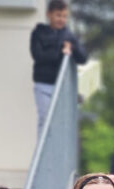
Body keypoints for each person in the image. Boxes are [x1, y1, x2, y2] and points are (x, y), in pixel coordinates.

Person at [30, 0, 87, 134]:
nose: (61, 19)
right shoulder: (39, 33)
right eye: (58, 15)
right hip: (43, 85)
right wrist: (60, 51)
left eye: (64, 16)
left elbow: (82, 58)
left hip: (63, 87)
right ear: (49, 14)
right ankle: (44, 153)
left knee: (61, 123)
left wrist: (72, 47)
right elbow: (38, 56)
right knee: (45, 120)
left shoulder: (68, 35)